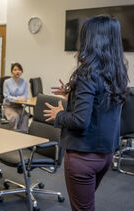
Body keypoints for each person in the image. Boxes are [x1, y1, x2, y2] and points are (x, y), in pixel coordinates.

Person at [44, 16, 128, 211]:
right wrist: (72, 92)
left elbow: (80, 120)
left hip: (83, 156)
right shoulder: (117, 72)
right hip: (106, 155)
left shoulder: (86, 73)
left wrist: (59, 114)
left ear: (91, 40)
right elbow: (100, 103)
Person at [2, 63, 29, 132]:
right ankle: (14, 133)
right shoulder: (7, 82)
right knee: (15, 116)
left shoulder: (24, 82)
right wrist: (18, 98)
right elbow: (6, 96)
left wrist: (21, 98)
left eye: (19, 70)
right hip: (9, 106)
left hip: (19, 106)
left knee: (25, 116)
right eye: (15, 70)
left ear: (22, 71)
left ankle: (23, 134)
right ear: (12, 72)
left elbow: (25, 95)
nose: (17, 71)